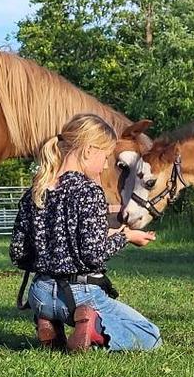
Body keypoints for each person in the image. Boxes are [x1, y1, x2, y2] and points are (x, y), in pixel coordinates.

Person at [10, 113, 161, 352]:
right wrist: (125, 237)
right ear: (89, 150)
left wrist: (49, 258)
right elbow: (92, 255)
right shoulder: (88, 191)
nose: (104, 166)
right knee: (150, 336)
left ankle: (47, 320)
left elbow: (18, 253)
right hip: (79, 295)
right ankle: (91, 329)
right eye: (104, 157)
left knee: (51, 299)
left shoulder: (35, 191)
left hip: (39, 293)